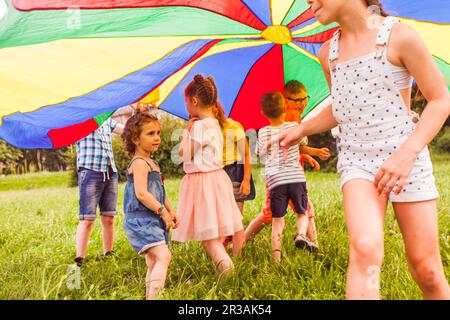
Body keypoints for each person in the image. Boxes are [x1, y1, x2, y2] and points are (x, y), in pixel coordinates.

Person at [274, 0, 450, 299]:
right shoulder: (328, 53)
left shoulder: (399, 37)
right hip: (358, 162)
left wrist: (406, 155)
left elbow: (440, 100)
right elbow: (342, 108)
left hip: (407, 158)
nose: (308, 1)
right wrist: (303, 128)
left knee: (426, 269)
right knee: (365, 247)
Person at [245, 81, 332, 252]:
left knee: (287, 212)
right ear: (285, 102)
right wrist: (313, 152)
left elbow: (289, 145)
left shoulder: (292, 116)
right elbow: (291, 143)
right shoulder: (291, 117)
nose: (302, 103)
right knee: (276, 214)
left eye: (304, 98)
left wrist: (307, 156)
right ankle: (241, 241)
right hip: (288, 174)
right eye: (297, 100)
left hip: (281, 174)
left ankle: (313, 244)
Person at [172, 74, 244, 275]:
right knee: (212, 237)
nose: (186, 106)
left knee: (210, 240)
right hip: (215, 179)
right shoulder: (214, 122)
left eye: (186, 101)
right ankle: (224, 271)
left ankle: (229, 276)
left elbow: (184, 154)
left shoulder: (199, 126)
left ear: (194, 101)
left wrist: (187, 131)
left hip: (204, 182)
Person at [121, 111, 178, 300]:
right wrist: (161, 211)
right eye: (150, 133)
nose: (157, 138)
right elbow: (141, 193)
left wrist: (170, 209)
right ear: (136, 139)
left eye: (158, 133)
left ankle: (150, 296)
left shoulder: (152, 163)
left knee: (153, 261)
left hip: (152, 218)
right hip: (141, 220)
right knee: (164, 256)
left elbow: (160, 190)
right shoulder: (139, 163)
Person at [256, 92, 310, 262]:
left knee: (277, 221)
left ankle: (276, 260)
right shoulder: (294, 126)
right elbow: (304, 142)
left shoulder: (263, 132)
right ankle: (301, 234)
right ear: (286, 107)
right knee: (302, 213)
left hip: (275, 181)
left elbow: (259, 153)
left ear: (263, 113)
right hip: (295, 177)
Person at [74, 117, 124, 266]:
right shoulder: (79, 118)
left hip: (110, 171)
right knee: (87, 219)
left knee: (109, 217)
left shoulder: (106, 118)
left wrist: (138, 115)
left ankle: (108, 253)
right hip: (90, 171)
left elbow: (125, 130)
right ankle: (79, 260)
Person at [212, 103, 255, 254]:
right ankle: (221, 253)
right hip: (216, 172)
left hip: (235, 171)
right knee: (219, 219)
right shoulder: (205, 129)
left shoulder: (233, 126)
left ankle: (238, 257)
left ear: (216, 110)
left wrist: (246, 179)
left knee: (236, 219)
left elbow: (246, 154)